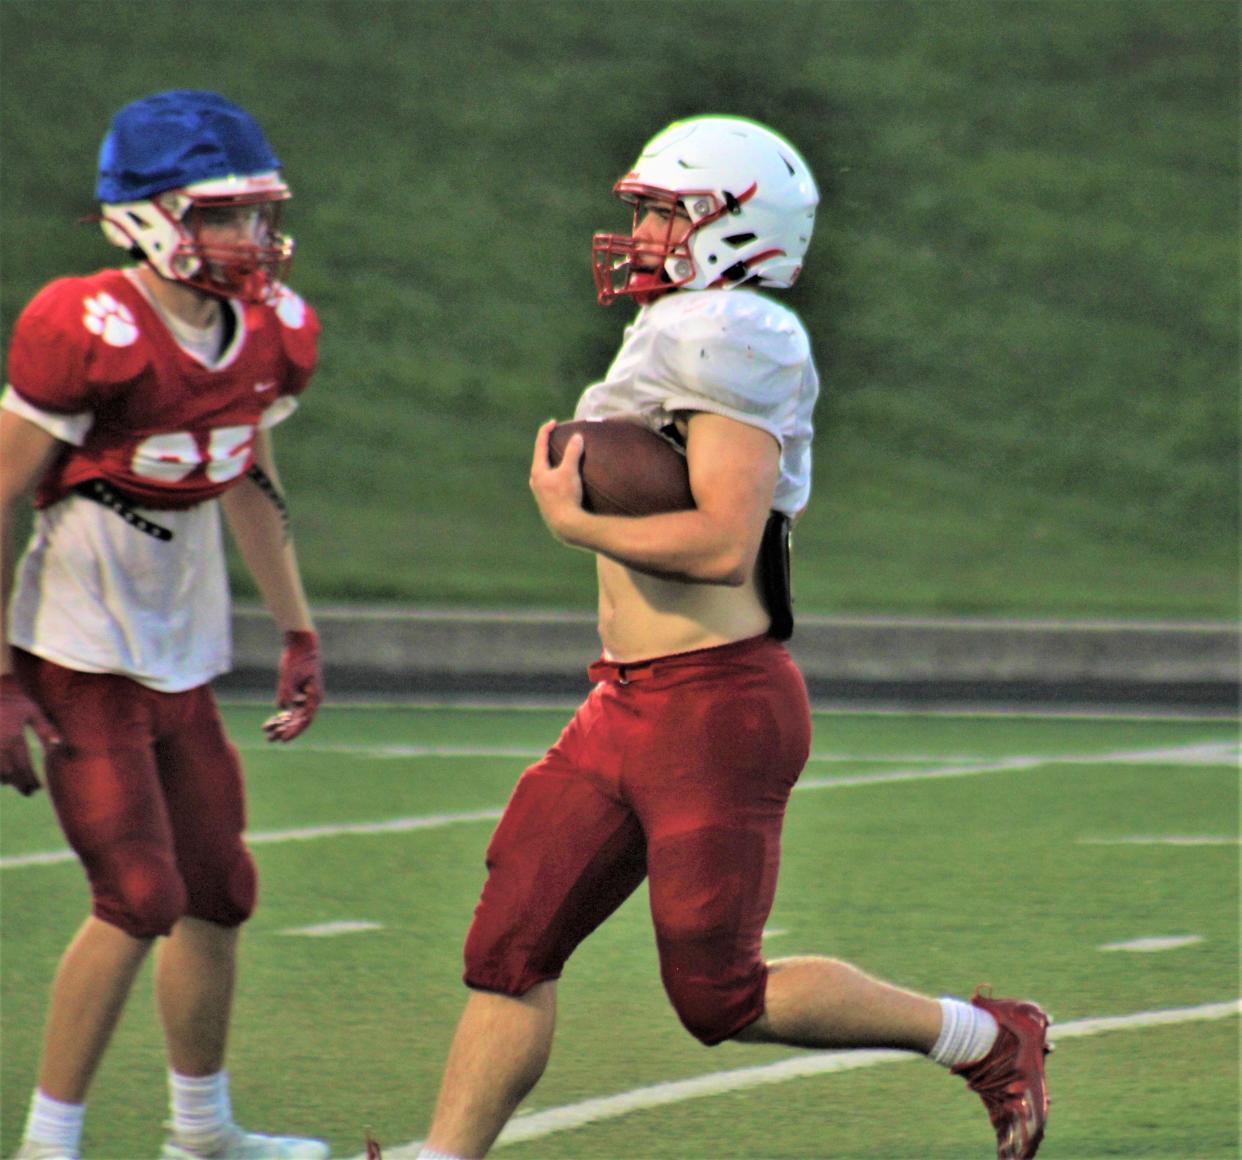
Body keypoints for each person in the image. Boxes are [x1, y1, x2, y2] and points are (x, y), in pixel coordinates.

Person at [404, 116, 1051, 1160]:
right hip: (624, 697)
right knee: (510, 944)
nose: (645, 232)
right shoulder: (681, 323)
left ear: (735, 227)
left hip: (715, 705)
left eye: (667, 211)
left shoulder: (737, 333)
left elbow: (719, 542)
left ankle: (986, 1035)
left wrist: (574, 521)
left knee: (719, 994)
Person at [0, 90, 330, 1160]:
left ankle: (203, 1130)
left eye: (257, 213)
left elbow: (249, 481)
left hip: (180, 650)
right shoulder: (83, 325)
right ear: (147, 214)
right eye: (223, 215)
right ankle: (48, 1144)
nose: (252, 238)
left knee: (218, 890)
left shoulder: (274, 331)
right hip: (77, 646)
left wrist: (297, 628)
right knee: (138, 892)